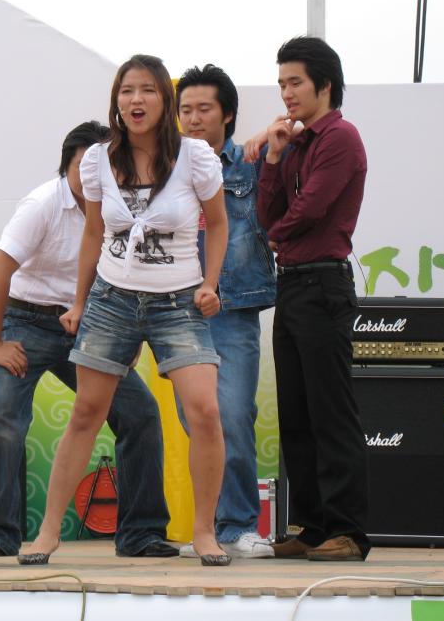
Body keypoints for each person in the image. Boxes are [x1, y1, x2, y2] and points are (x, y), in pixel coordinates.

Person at [19, 54, 231, 566]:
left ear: (165, 100)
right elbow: (94, 232)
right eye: (127, 91)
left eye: (147, 90)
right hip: (112, 298)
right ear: (116, 100)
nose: (136, 100)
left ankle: (205, 533)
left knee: (204, 410)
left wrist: (210, 284)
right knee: (87, 412)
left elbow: (219, 223)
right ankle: (47, 533)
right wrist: (79, 301)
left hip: (178, 300)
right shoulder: (98, 159)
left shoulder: (195, 157)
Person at [0, 121, 175, 558]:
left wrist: (128, 339)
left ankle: (141, 534)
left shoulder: (123, 210)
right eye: (84, 165)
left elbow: (135, 277)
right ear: (67, 164)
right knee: (1, 415)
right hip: (26, 320)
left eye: (102, 165)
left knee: (140, 412)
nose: (92, 174)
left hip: (93, 323)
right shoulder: (42, 204)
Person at [256, 37, 370, 562]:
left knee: (331, 412)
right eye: (281, 84)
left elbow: (311, 208)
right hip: (293, 285)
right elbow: (269, 210)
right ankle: (312, 525)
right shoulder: (297, 143)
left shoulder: (341, 137)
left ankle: (348, 530)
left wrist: (275, 236)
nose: (286, 93)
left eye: (295, 82)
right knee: (297, 413)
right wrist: (274, 155)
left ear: (324, 84)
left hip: (323, 284)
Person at [175, 64, 276, 560]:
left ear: (228, 114)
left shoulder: (251, 165)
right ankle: (208, 530)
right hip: (177, 312)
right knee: (196, 420)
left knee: (232, 413)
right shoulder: (167, 169)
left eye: (204, 109)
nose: (193, 119)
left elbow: (294, 141)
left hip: (233, 307)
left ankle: (238, 525)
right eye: (185, 110)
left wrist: (272, 136)